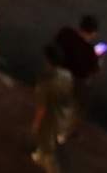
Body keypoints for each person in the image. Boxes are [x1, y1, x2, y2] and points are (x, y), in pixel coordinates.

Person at [31, 43, 75, 172]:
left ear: (47, 60)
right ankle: (41, 155)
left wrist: (36, 123)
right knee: (54, 140)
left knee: (49, 148)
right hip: (63, 115)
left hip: (50, 121)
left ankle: (49, 164)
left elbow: (41, 108)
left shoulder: (44, 83)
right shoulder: (66, 74)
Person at [54, 15, 103, 132]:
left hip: (55, 75)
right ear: (93, 33)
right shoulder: (90, 54)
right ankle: (60, 131)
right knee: (79, 106)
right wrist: (98, 59)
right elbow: (93, 72)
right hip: (71, 84)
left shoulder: (65, 33)